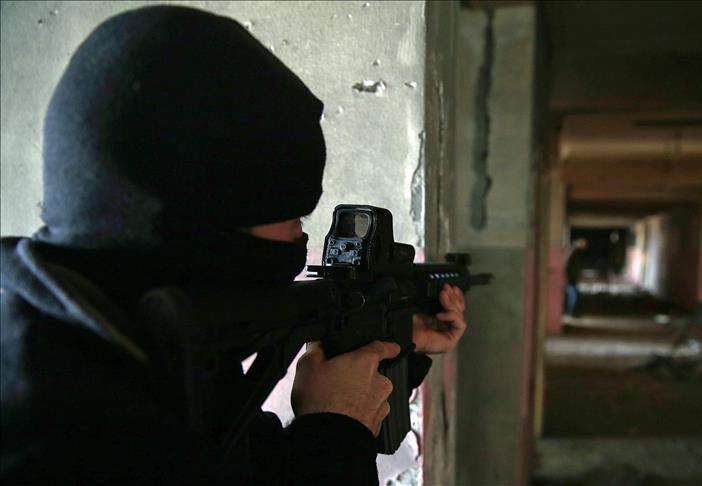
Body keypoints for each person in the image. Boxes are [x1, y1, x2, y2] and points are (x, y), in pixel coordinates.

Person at [0, 6, 466, 484]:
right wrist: (336, 431)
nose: (300, 236)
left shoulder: (136, 346)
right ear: (203, 217)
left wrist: (394, 344)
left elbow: (244, 465)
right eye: (290, 213)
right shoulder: (47, 433)